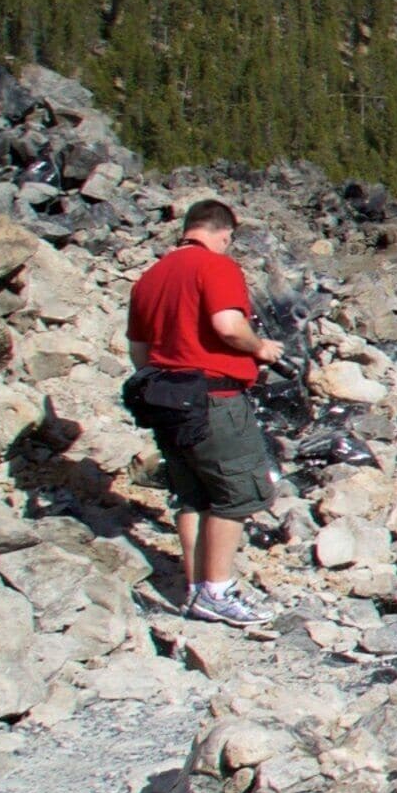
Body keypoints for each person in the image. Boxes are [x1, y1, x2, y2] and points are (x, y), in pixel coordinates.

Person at [125, 199, 286, 627]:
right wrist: (260, 348)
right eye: (228, 241)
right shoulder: (215, 267)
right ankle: (217, 591)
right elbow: (228, 325)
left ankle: (197, 589)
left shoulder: (149, 279)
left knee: (192, 494)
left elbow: (140, 353)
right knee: (238, 493)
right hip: (213, 397)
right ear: (222, 234)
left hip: (166, 400)